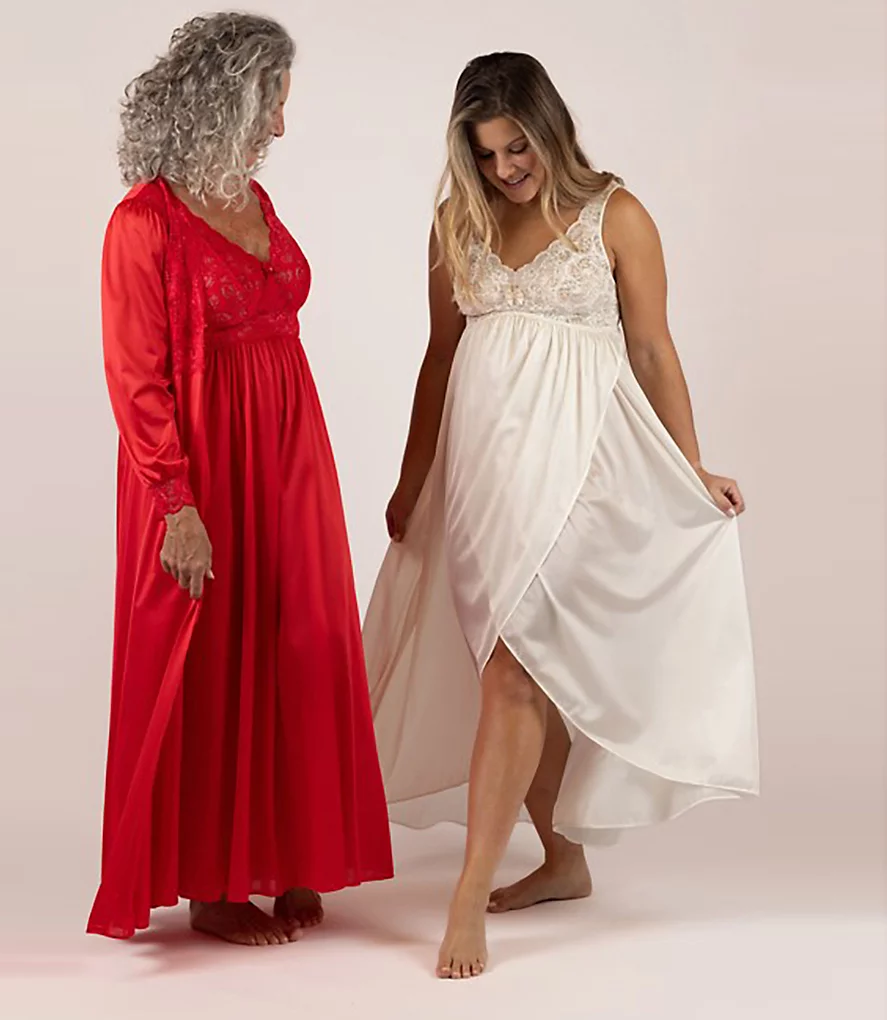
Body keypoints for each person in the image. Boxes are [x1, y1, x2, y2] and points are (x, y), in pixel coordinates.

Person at [363, 51, 758, 979]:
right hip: (482, 481)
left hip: (583, 472)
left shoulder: (616, 216)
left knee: (514, 668)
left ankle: (467, 900)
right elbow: (438, 357)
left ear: (551, 128)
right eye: (485, 151)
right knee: (520, 668)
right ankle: (563, 860)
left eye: (518, 147)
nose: (504, 168)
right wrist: (413, 479)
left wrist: (688, 466)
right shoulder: (456, 223)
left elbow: (652, 349)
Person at [88, 13, 393, 945]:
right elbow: (135, 377)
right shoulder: (143, 222)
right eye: (271, 105)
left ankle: (291, 851)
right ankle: (214, 886)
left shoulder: (252, 196)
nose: (281, 127)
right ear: (223, 101)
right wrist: (176, 506)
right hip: (204, 464)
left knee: (297, 637)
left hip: (290, 453)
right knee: (215, 653)